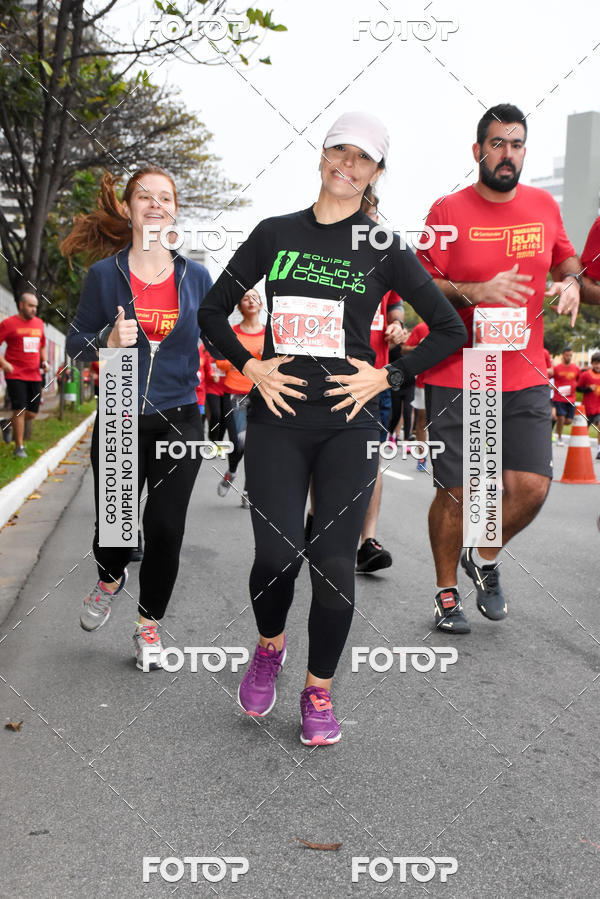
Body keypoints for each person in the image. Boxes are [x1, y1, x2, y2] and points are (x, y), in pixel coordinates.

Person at [198, 110, 466, 745]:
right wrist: (251, 366)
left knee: (334, 564)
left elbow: (450, 328)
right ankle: (269, 648)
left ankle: (318, 691)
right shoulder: (274, 233)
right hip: (278, 420)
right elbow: (210, 312)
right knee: (273, 555)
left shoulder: (383, 245)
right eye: (339, 150)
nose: (348, 163)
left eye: (363, 157)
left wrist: (389, 376)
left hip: (350, 424)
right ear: (320, 156)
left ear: (376, 172)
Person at [416, 102, 582, 635]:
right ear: (478, 151)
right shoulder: (446, 211)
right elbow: (417, 282)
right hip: (456, 371)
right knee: (461, 492)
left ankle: (483, 557)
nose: (506, 154)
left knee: (530, 486)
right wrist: (475, 291)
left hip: (524, 369)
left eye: (515, 144)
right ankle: (446, 594)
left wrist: (573, 282)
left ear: (523, 151)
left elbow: (567, 260)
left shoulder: (544, 206)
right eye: (496, 144)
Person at [63, 166, 212, 670]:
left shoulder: (196, 276)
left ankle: (148, 627)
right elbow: (75, 343)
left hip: (180, 418)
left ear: (175, 209)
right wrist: (106, 341)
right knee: (116, 531)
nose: (155, 203)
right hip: (122, 411)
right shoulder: (106, 275)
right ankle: (109, 578)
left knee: (166, 527)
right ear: (127, 209)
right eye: (143, 196)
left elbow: (221, 338)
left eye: (165, 197)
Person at [215, 288, 265, 508]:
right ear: (239, 306)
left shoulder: (269, 335)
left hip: (260, 394)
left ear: (261, 304)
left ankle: (248, 490)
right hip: (235, 392)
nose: (251, 301)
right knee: (239, 443)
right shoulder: (231, 333)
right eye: (245, 297)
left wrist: (264, 357)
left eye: (255, 297)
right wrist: (239, 361)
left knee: (256, 446)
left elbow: (278, 364)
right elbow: (219, 362)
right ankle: (232, 471)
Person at [0, 292, 48, 458]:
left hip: (34, 374)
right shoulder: (8, 324)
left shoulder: (39, 324)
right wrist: (4, 363)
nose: (34, 309)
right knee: (19, 409)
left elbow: (42, 345)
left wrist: (45, 361)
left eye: (35, 306)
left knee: (32, 413)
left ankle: (6, 424)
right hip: (15, 374)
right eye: (30, 306)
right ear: (21, 305)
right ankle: (19, 447)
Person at [401, 320, 430, 471]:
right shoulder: (421, 327)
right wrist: (420, 347)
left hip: (448, 381)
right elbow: (404, 349)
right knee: (422, 420)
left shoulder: (453, 323)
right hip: (424, 381)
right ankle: (422, 456)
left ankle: (445, 461)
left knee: (442, 423)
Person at [552, 347, 581, 445]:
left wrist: (576, 385)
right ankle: (559, 438)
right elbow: (547, 378)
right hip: (559, 398)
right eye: (567, 355)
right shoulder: (557, 368)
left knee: (569, 420)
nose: (568, 357)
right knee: (561, 417)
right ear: (563, 355)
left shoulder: (576, 368)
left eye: (570, 355)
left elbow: (579, 381)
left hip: (571, 398)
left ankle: (553, 423)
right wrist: (551, 386)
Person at [577, 351, 600, 459]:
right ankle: (581, 450)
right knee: (583, 431)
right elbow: (578, 388)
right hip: (587, 408)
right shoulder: (586, 375)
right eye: (596, 363)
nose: (598, 366)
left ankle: (599, 450)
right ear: (592, 363)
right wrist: (587, 389)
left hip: (598, 408)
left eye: (599, 363)